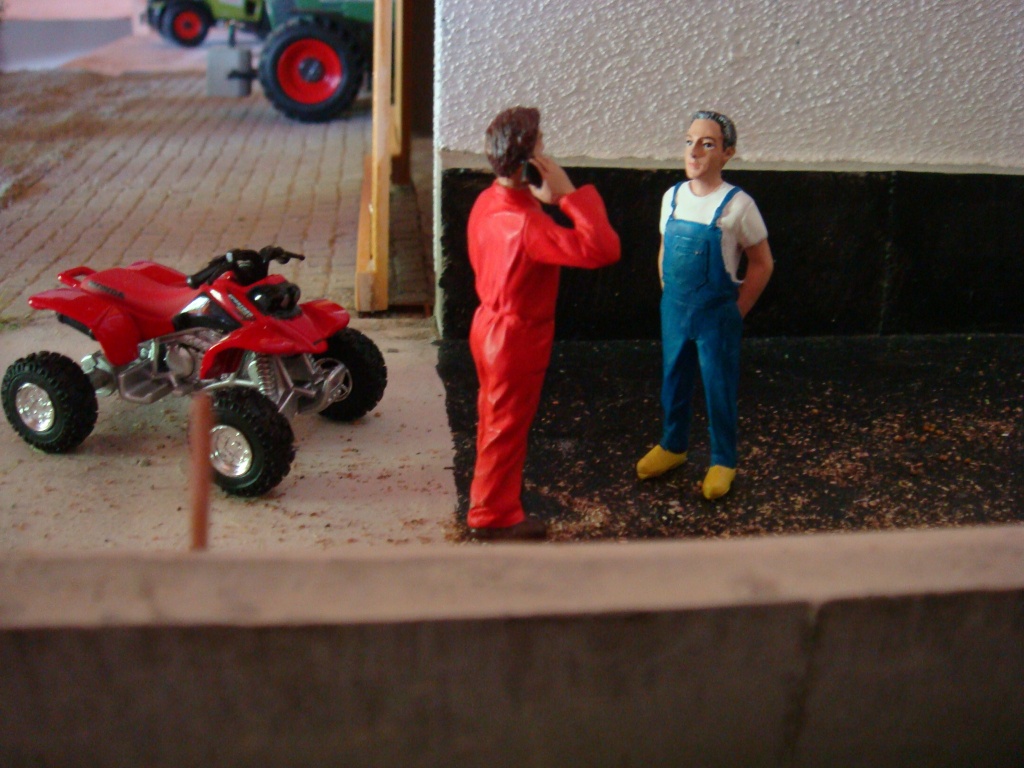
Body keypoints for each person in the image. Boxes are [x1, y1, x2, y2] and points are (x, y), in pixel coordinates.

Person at [466, 106, 621, 540]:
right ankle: (492, 515)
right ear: (528, 161)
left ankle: (490, 502)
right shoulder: (528, 224)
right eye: (541, 146)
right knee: (506, 428)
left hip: (487, 324)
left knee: (494, 422)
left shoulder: (488, 202)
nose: (547, 151)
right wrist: (569, 196)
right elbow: (603, 248)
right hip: (516, 337)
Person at [637, 110, 774, 500]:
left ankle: (723, 460)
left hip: (716, 315)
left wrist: (737, 310)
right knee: (673, 379)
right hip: (675, 310)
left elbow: (762, 263)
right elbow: (664, 246)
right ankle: (673, 445)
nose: (694, 151)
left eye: (707, 143)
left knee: (718, 386)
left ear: (727, 153)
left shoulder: (738, 206)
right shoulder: (672, 197)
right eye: (689, 141)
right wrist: (668, 290)